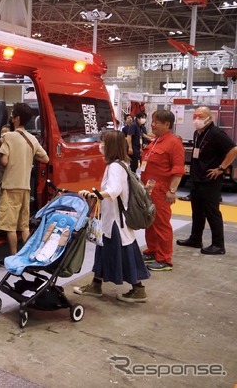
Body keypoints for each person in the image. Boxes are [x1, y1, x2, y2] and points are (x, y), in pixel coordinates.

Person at [74, 130, 150, 302]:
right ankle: (96, 284)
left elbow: (114, 190)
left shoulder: (115, 166)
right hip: (112, 219)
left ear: (110, 146)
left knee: (123, 252)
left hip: (116, 220)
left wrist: (96, 195)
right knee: (104, 251)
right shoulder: (121, 163)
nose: (100, 145)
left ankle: (138, 288)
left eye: (103, 142)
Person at [176, 106, 237, 255]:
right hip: (197, 178)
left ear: (210, 117)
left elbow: (233, 149)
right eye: (195, 116)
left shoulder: (216, 133)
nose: (197, 119)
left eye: (200, 116)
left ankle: (218, 245)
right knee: (197, 211)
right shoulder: (198, 133)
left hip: (210, 179)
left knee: (212, 212)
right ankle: (195, 238)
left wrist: (221, 168)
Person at [0, 102, 49, 256]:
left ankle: (13, 256)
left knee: (10, 227)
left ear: (17, 118)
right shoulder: (32, 139)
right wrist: (28, 158)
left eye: (12, 114)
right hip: (25, 188)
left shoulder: (8, 137)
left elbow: (4, 161)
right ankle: (28, 255)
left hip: (10, 187)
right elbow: (45, 158)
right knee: (24, 226)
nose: (11, 117)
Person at [140, 109, 185, 271]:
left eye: (156, 122)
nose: (152, 125)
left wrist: (172, 191)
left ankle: (165, 259)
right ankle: (152, 251)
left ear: (167, 124)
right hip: (148, 190)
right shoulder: (155, 142)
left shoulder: (174, 143)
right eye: (152, 121)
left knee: (161, 224)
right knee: (150, 222)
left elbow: (178, 169)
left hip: (161, 191)